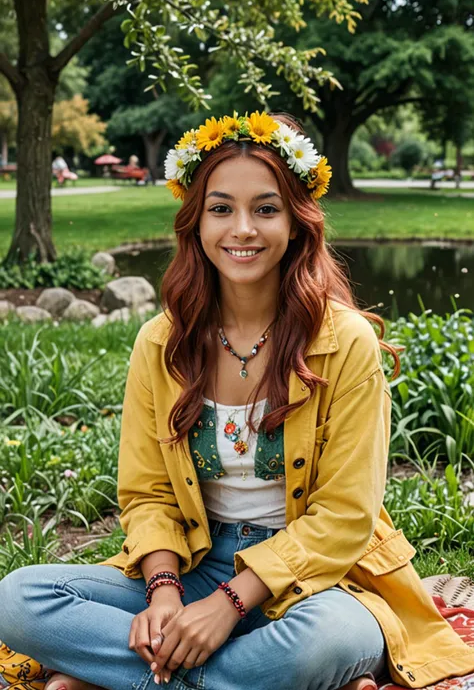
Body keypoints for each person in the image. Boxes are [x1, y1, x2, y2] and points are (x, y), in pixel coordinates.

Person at [1, 111, 474, 690]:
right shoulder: (161, 342)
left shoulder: (344, 341)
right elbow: (147, 492)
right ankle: (227, 675)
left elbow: (347, 516)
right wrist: (165, 593)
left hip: (322, 582)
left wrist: (229, 605)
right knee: (19, 600)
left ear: (297, 223)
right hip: (197, 562)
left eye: (266, 209)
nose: (242, 229)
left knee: (320, 645)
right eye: (221, 208)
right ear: (196, 222)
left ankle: (130, 674)